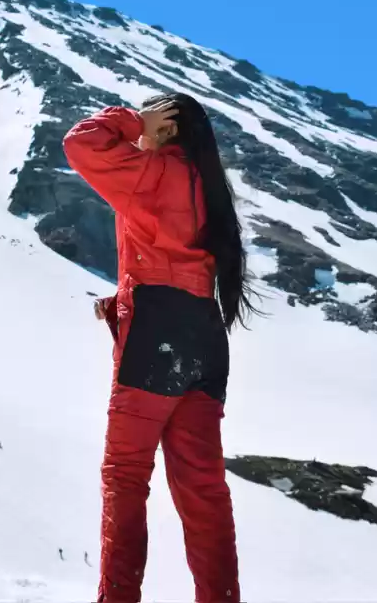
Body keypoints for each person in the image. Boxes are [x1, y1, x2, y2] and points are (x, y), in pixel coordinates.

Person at [63, 93, 257, 603]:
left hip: (157, 335)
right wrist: (123, 299)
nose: (144, 130)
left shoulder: (154, 171)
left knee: (125, 476)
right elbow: (180, 261)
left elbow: (81, 144)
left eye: (152, 120)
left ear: (168, 128)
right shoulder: (205, 184)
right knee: (204, 490)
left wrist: (130, 122)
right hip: (203, 335)